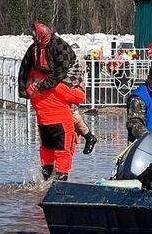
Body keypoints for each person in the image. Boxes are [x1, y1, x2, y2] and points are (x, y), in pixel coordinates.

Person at [18, 22, 97, 154]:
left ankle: (88, 136)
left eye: (34, 35)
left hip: (68, 76)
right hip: (51, 79)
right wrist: (23, 89)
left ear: (41, 35)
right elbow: (24, 67)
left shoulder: (59, 46)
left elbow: (60, 71)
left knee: (71, 112)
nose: (32, 38)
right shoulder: (35, 48)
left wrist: (44, 86)